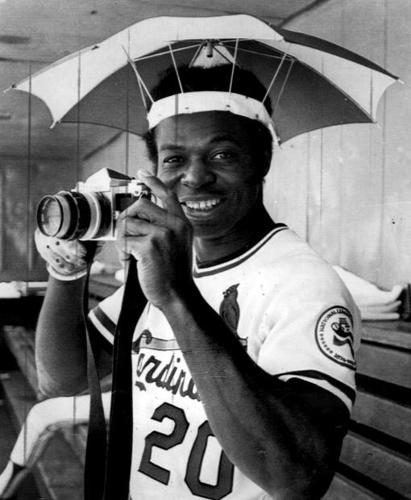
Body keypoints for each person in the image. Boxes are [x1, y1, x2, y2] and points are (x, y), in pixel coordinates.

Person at [34, 64, 360, 499]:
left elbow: (297, 478)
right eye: (174, 159)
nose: (194, 177)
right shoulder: (166, 262)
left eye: (222, 154)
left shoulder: (304, 284)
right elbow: (63, 379)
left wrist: (176, 296)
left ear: (262, 159)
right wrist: (67, 271)